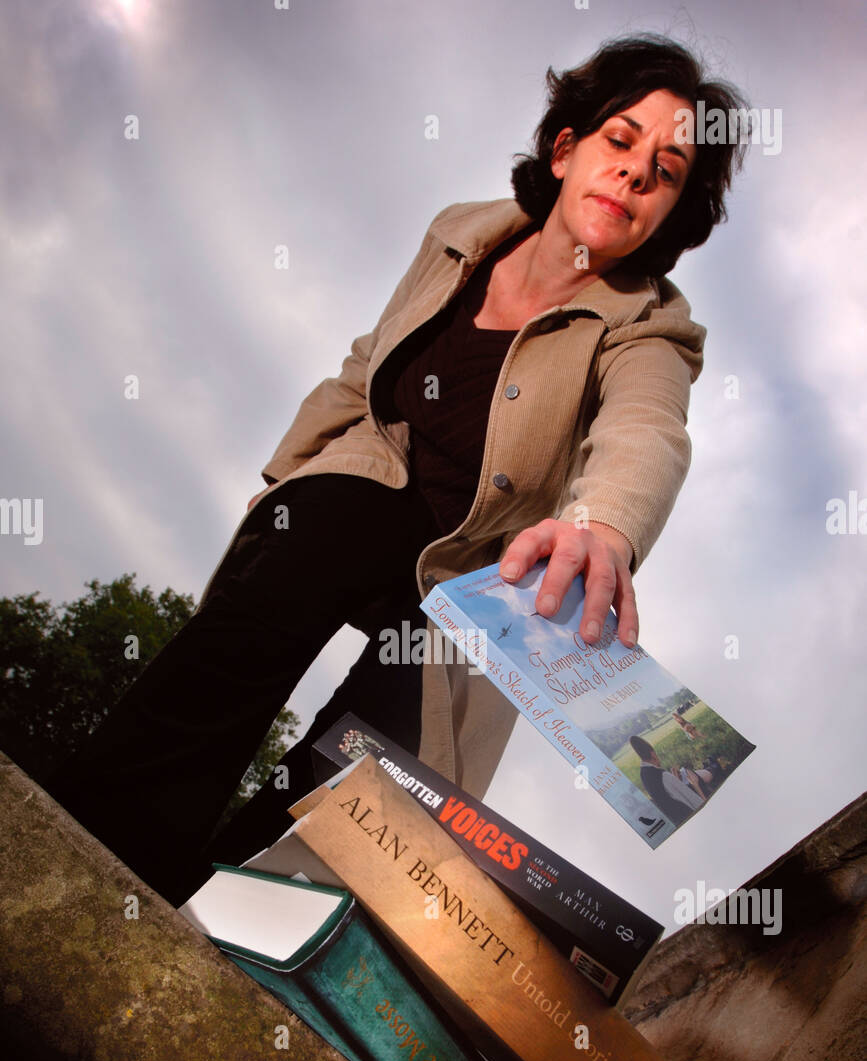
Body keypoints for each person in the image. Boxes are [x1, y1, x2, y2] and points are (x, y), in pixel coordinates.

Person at [45, 34, 747, 907]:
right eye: (620, 139)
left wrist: (603, 522)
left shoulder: (650, 329)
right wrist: (284, 482)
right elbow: (362, 367)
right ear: (567, 149)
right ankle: (83, 860)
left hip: (473, 576)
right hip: (366, 494)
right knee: (309, 554)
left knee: (359, 787)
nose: (637, 172)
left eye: (668, 168)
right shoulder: (459, 234)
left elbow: (648, 426)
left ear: (671, 213)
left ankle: (208, 928)